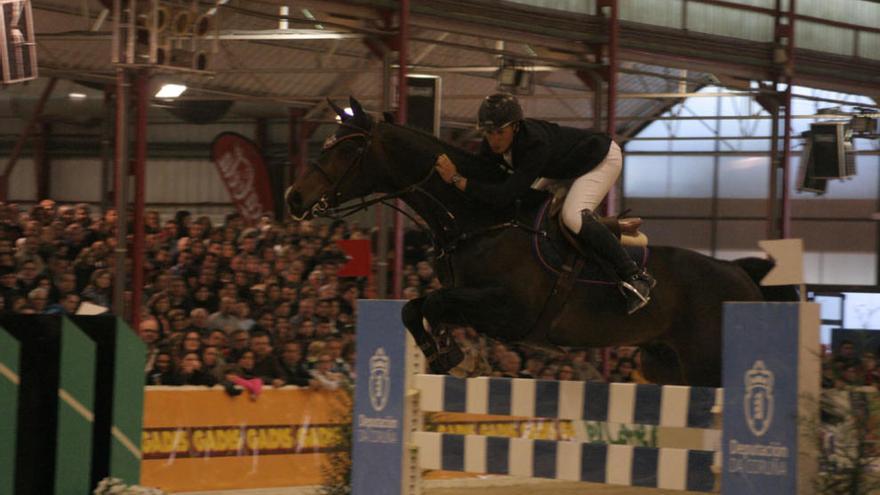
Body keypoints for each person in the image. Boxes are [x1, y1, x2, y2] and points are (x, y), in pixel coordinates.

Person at [434, 93, 654, 314]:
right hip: (563, 166)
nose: (494, 140)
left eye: (500, 132)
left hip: (600, 159)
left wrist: (457, 180)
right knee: (528, 213)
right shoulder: (494, 145)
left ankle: (635, 276)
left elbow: (504, 195)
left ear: (516, 127)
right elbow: (485, 176)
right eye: (489, 133)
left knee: (573, 217)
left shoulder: (534, 143)